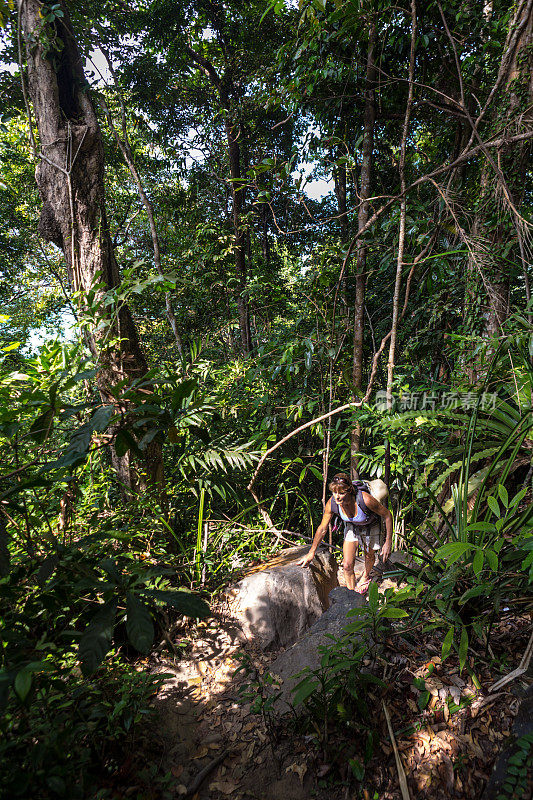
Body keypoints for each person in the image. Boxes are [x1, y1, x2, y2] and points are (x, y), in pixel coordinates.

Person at [298, 473, 393, 593]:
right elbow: (323, 528)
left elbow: (387, 515)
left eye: (341, 493)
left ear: (350, 491)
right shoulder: (332, 503)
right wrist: (311, 552)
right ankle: (352, 595)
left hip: (370, 524)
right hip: (352, 525)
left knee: (369, 556)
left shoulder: (365, 500)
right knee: (347, 565)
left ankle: (365, 576)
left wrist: (388, 541)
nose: (337, 497)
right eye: (334, 492)